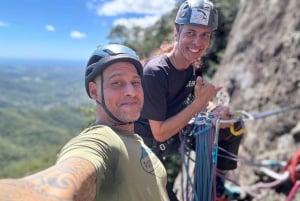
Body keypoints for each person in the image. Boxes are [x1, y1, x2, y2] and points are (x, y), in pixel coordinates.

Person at [0, 44, 170, 201]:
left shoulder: (134, 139)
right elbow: (64, 177)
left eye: (135, 82)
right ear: (94, 91)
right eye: (117, 83)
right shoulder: (102, 140)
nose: (131, 91)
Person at [134, 0, 244, 200]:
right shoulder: (155, 73)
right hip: (147, 146)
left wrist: (214, 109)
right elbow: (159, 133)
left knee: (233, 125)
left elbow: (199, 99)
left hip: (176, 135)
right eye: (191, 33)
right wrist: (200, 104)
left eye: (205, 35)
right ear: (177, 34)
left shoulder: (193, 67)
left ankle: (216, 186)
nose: (197, 43)